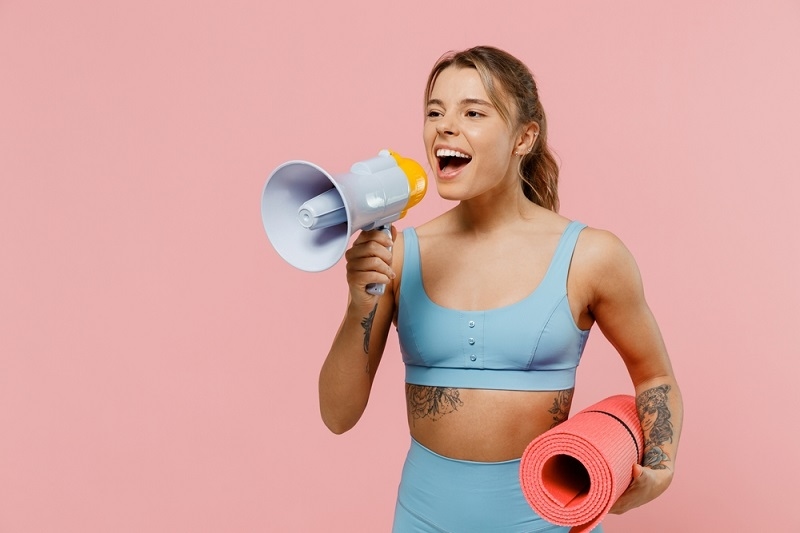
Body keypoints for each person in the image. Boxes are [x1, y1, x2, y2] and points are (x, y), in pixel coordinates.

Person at [318, 45, 683, 532]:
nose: (445, 126)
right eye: (434, 111)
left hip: (547, 519)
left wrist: (658, 466)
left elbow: (654, 376)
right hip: (422, 518)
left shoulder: (590, 256)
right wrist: (359, 302)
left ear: (524, 137)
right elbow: (338, 415)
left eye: (473, 112)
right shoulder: (400, 255)